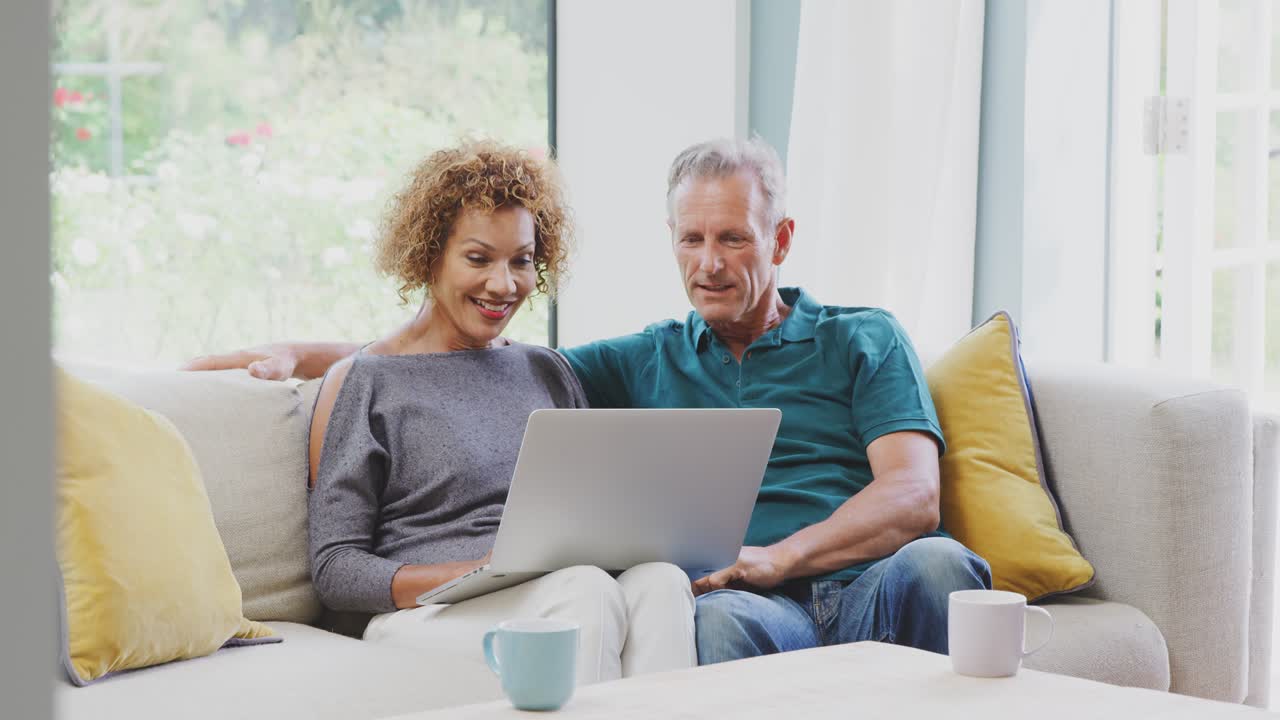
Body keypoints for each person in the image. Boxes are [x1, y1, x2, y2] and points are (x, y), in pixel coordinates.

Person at [185, 137, 991, 665]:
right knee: (674, 598)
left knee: (940, 565)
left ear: (779, 241)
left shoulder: (862, 338)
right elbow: (448, 360)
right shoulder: (637, 360)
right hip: (735, 604)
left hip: (863, 577)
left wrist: (778, 558)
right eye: (691, 239)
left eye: (734, 239)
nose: (709, 263)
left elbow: (914, 495)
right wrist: (302, 354)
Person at [291, 140, 695, 686]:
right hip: (424, 615)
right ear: (429, 253)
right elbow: (336, 569)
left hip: (551, 589)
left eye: (522, 261)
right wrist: (465, 576)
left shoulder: (545, 371)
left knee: (661, 580)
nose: (504, 285)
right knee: (587, 589)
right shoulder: (364, 382)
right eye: (478, 259)